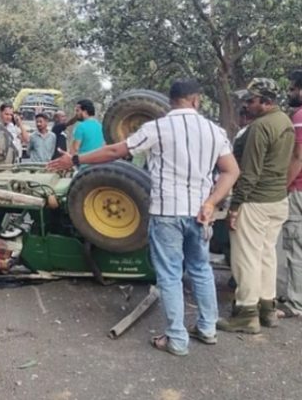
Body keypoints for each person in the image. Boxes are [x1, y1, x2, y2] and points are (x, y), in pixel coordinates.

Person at [48, 79, 240, 356]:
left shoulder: (157, 128)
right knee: (201, 269)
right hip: (201, 214)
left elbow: (115, 151)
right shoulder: (215, 130)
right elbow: (231, 171)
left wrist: (75, 160)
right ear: (196, 100)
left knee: (170, 276)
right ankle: (208, 329)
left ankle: (177, 340)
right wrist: (212, 202)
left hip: (167, 213)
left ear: (170, 101)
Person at [217, 78, 295, 334]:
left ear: (266, 102)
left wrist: (235, 205)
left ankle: (246, 314)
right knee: (266, 255)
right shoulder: (285, 121)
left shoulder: (260, 127)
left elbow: (250, 172)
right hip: (277, 199)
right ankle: (267, 308)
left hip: (256, 201)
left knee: (246, 258)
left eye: (251, 100)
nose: (246, 105)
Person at [279, 69, 302, 318]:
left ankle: (296, 303)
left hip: (298, 190)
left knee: (296, 246)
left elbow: (298, 157)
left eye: (293, 89)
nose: (290, 93)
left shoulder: (299, 116)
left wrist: (283, 185)